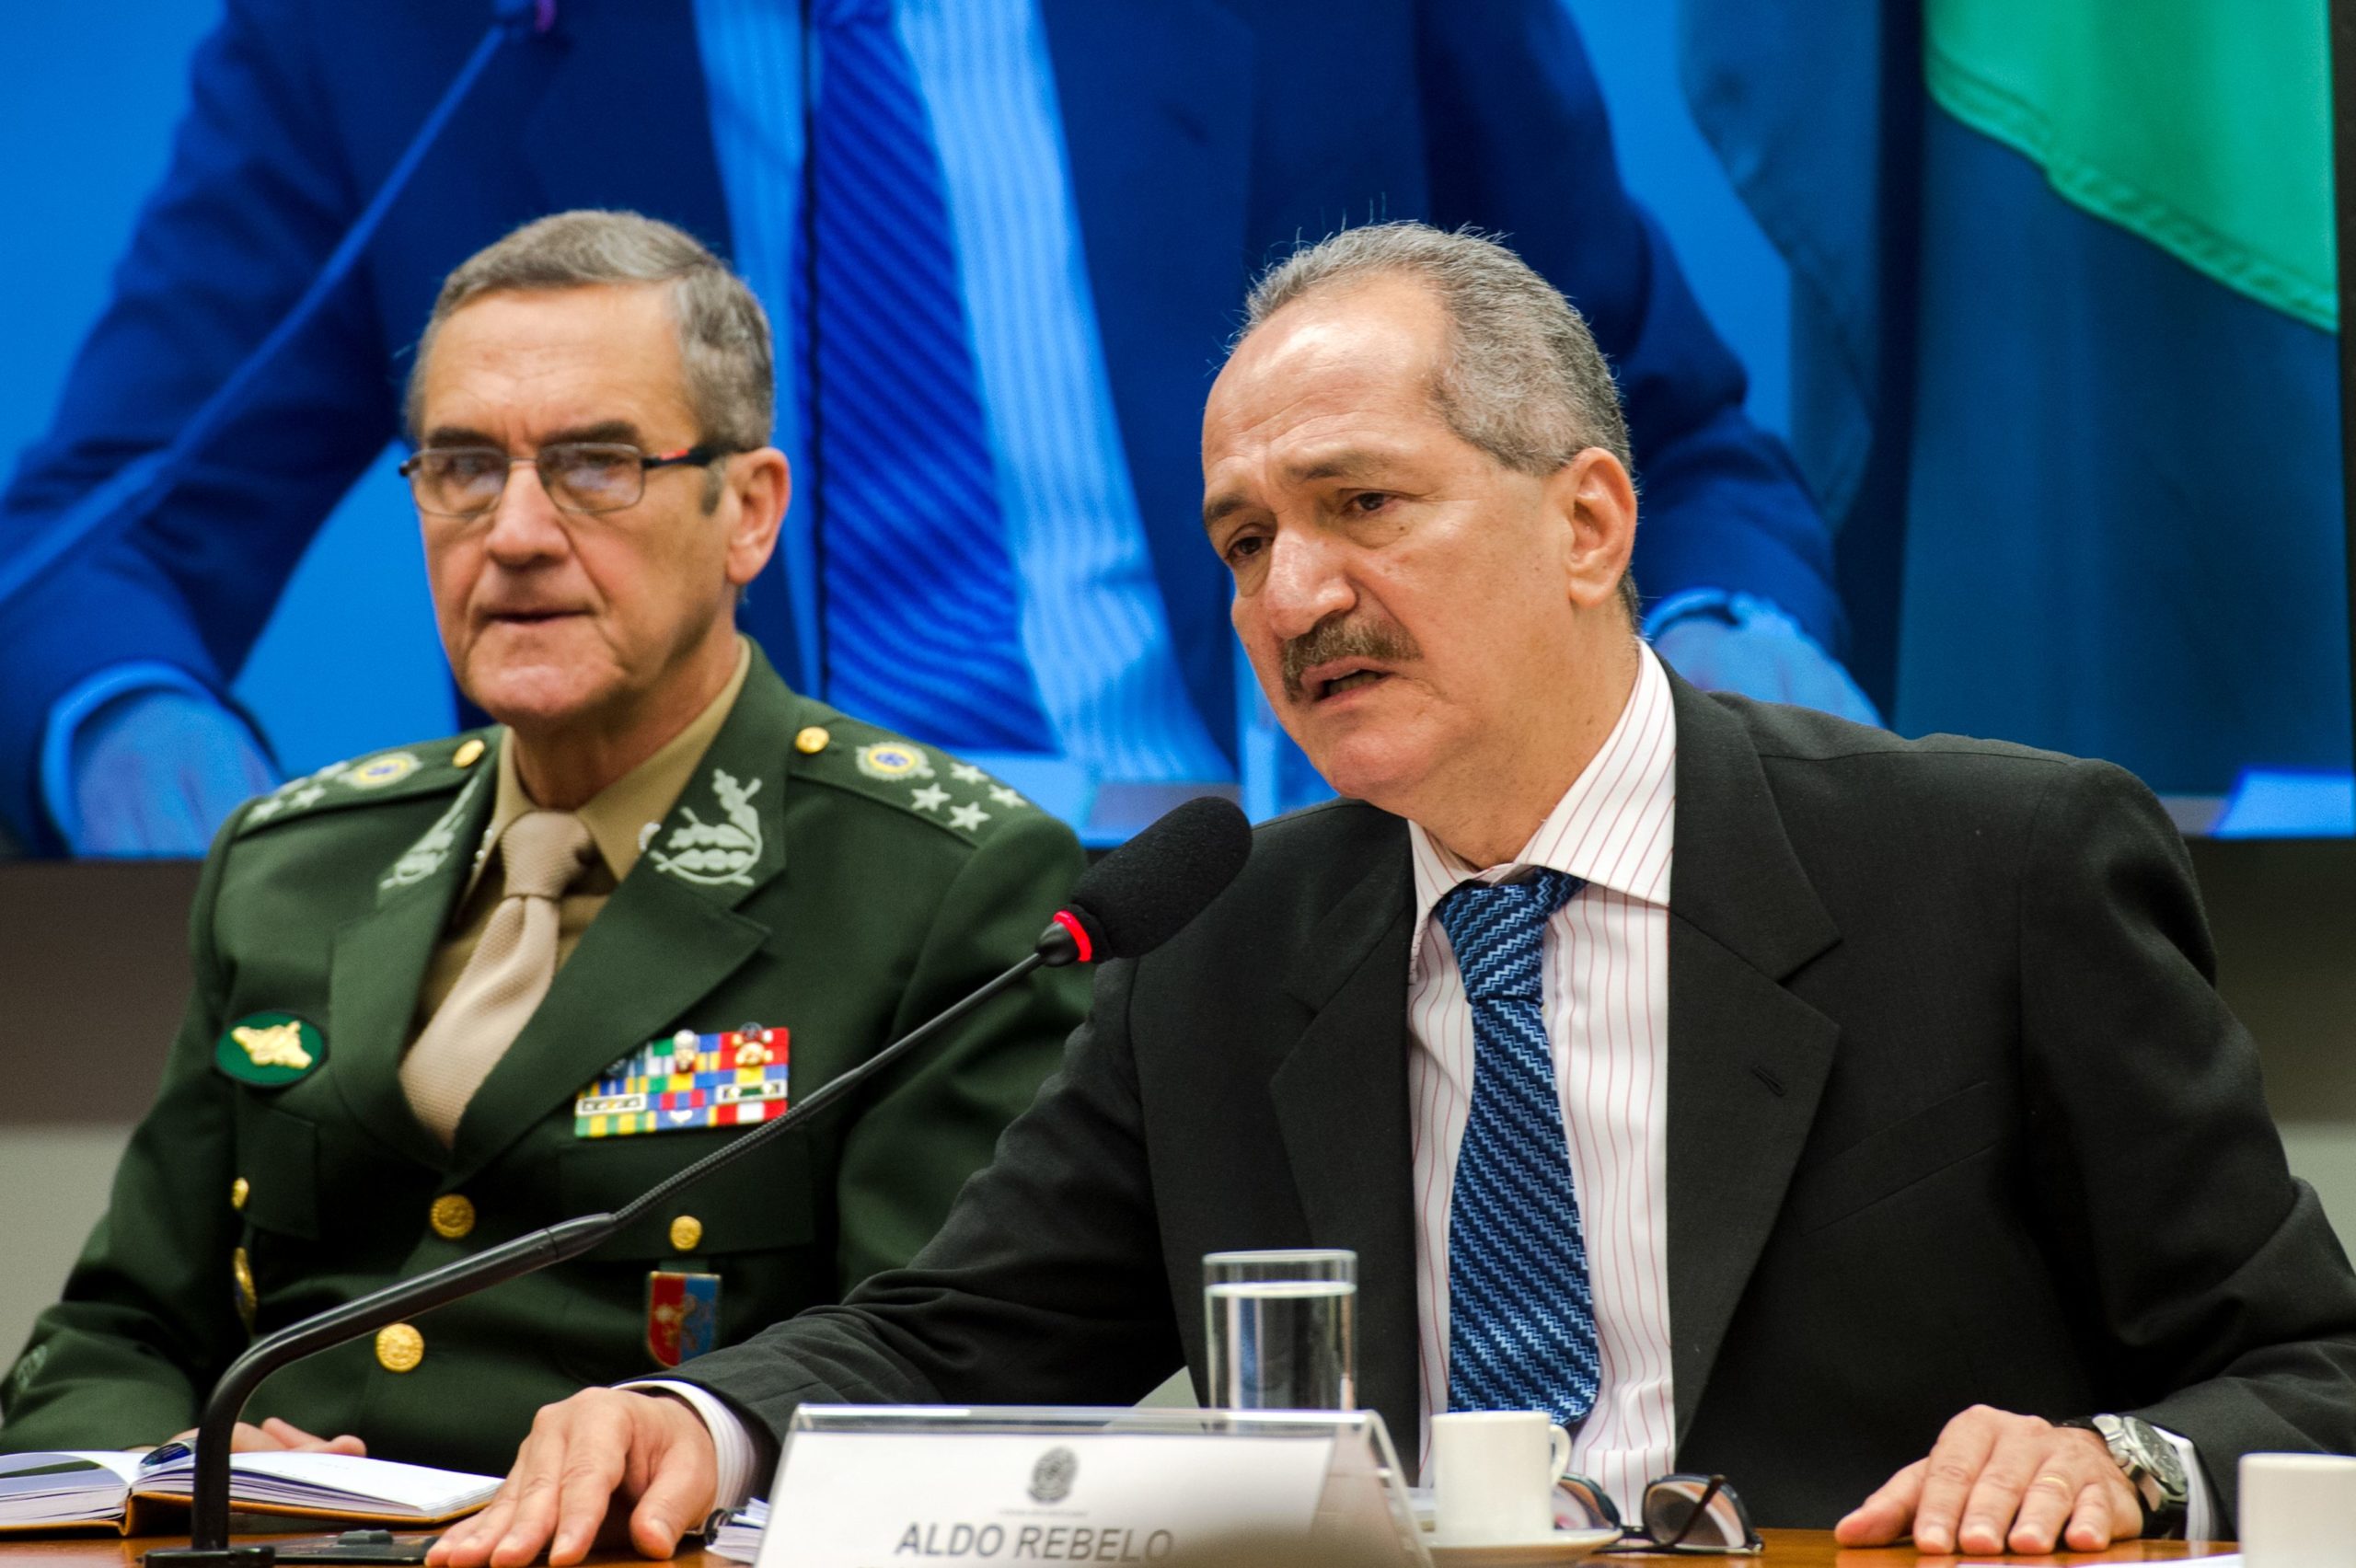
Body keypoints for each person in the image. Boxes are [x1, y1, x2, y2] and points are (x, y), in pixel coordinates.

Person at [427, 224, 2356, 1566]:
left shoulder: (1986, 867)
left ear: (1589, 520)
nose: (1288, 595)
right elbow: (952, 1339)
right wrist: (694, 1423)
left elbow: (2316, 1367)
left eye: (1360, 506)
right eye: (1243, 539)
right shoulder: (1225, 938)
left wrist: (2116, 1456)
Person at [0, 0, 1871, 858]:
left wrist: (1731, 672)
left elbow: (1672, 450)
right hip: (713, 961)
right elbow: (98, 542)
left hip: (1299, 894)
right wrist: (147, 755)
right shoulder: (409, 34)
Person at [0, 212, 1090, 1474]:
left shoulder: (941, 882)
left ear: (748, 511)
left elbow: (943, 1371)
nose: (513, 533)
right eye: (463, 467)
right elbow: (113, 1334)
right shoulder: (289, 866)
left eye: (595, 464)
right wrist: (187, 1479)